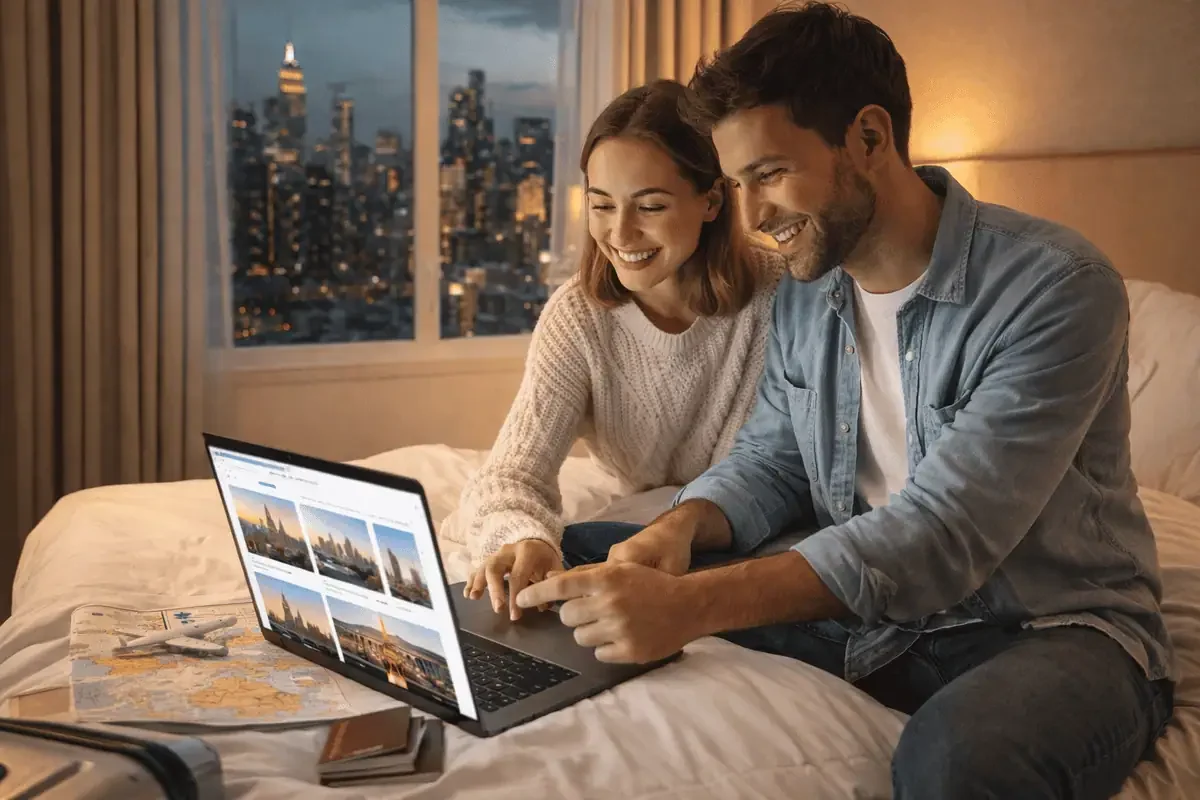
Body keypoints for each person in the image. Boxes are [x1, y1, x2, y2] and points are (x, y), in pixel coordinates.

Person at [514, 3, 1176, 797]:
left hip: (1037, 625)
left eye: (769, 175)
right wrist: (680, 530)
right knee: (580, 554)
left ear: (868, 137)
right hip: (871, 615)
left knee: (959, 763)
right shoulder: (809, 289)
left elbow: (943, 535)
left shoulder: (1057, 289)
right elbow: (772, 457)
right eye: (735, 184)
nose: (753, 219)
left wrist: (691, 607)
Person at [447, 78, 784, 620]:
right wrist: (527, 537)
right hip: (641, 526)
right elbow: (512, 475)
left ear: (712, 200)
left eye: (649, 206)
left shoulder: (781, 296)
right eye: (601, 205)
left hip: (748, 532)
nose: (621, 233)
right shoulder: (577, 317)